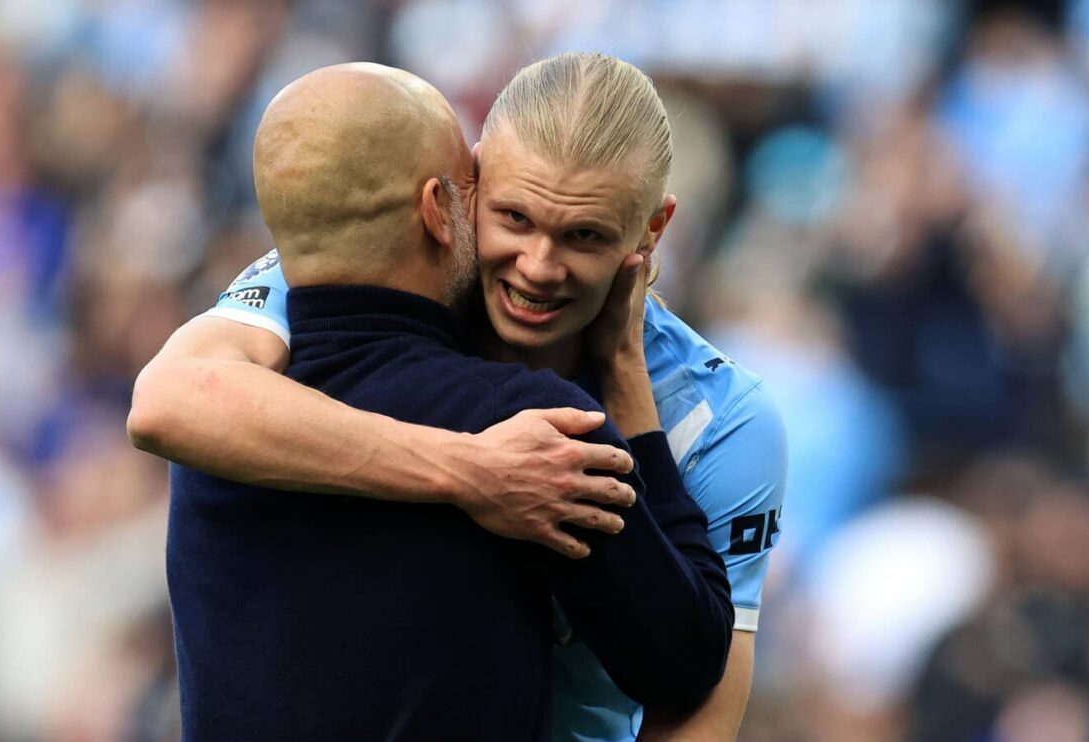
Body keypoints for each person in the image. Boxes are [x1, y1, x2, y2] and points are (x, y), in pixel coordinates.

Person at [132, 53, 786, 741]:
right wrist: (475, 471)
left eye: (583, 236)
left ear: (653, 229)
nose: (538, 266)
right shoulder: (323, 279)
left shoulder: (723, 420)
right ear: (462, 192)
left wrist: (626, 381)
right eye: (514, 217)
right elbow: (168, 401)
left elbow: (694, 702)